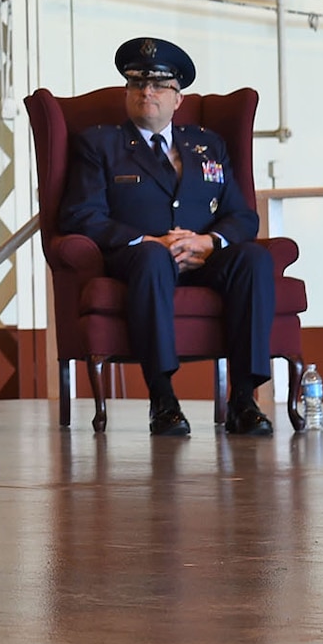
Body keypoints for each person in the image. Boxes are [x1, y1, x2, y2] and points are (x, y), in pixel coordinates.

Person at [57, 37, 275, 437]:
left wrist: (210, 243)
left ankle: (244, 399)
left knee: (255, 259)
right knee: (153, 260)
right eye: (137, 84)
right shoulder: (100, 144)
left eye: (159, 85)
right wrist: (149, 242)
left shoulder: (208, 145)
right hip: (138, 261)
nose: (147, 92)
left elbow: (242, 215)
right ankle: (163, 399)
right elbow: (80, 214)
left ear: (178, 98)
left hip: (202, 256)